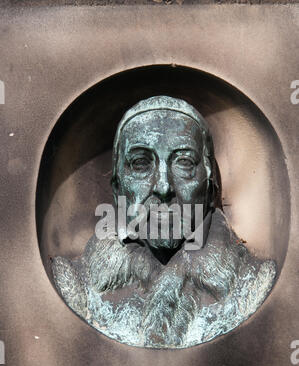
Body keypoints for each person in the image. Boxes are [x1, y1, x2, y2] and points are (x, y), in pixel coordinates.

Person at [52, 96, 276, 348]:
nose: (163, 186)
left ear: (209, 185)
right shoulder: (77, 286)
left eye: (184, 163)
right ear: (117, 188)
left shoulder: (251, 284)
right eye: (140, 163)